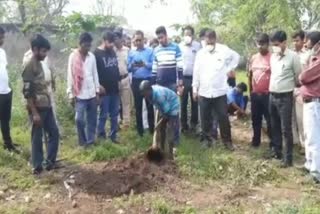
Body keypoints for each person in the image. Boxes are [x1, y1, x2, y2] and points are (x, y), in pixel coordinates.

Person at [192, 29, 240, 150]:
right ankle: (207, 141)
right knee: (205, 118)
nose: (208, 44)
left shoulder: (223, 50)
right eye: (206, 42)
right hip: (204, 91)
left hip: (219, 91)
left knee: (223, 117)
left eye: (210, 42)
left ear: (215, 39)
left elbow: (236, 57)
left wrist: (229, 69)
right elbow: (196, 72)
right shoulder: (200, 54)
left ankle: (227, 142)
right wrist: (194, 89)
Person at [22, 34, 59, 174]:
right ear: (35, 49)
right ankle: (37, 167)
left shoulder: (40, 63)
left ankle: (50, 162)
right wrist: (35, 113)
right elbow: (27, 92)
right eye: (43, 51)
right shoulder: (29, 65)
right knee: (36, 138)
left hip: (47, 105)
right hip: (37, 108)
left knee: (54, 133)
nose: (45, 54)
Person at [269, 30, 302, 167]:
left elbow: (298, 77)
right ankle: (277, 153)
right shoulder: (273, 57)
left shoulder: (293, 57)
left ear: (284, 43)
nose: (274, 47)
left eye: (276, 44)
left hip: (285, 97)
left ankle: (288, 159)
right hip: (272, 95)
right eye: (273, 44)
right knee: (274, 126)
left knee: (285, 129)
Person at [67, 32, 100, 146]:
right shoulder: (73, 57)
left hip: (91, 93)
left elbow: (95, 74)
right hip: (79, 94)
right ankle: (82, 142)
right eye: (85, 45)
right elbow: (70, 75)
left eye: (89, 46)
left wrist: (97, 91)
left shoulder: (92, 57)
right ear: (79, 44)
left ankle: (90, 142)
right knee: (79, 119)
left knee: (92, 120)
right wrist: (70, 94)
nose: (87, 48)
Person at [140, 80, 180, 159]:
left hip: (173, 105)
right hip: (164, 106)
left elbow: (167, 111)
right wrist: (159, 123)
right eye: (143, 94)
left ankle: (172, 153)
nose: (144, 96)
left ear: (149, 90)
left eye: (145, 93)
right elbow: (159, 106)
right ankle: (161, 150)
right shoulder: (149, 95)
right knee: (161, 129)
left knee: (170, 129)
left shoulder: (159, 95)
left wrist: (159, 122)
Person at [299, 31, 320, 183]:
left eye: (308, 43)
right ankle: (309, 164)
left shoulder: (318, 61)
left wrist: (306, 62)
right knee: (308, 135)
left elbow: (303, 77)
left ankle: (316, 171)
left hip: (315, 103)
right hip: (308, 102)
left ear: (317, 45)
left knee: (314, 138)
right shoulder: (313, 59)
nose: (306, 45)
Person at [94, 31, 120, 143]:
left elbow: (115, 67)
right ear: (104, 41)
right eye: (110, 43)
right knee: (103, 115)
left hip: (115, 88)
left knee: (114, 115)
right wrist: (98, 87)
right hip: (104, 90)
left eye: (113, 43)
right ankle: (101, 136)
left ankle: (113, 136)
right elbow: (93, 72)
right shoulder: (96, 54)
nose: (112, 45)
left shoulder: (112, 52)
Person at [248, 33, 273, 148]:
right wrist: (250, 92)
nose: (260, 46)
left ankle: (273, 143)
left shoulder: (273, 58)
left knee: (270, 120)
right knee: (255, 119)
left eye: (262, 44)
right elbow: (250, 75)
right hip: (255, 95)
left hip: (268, 95)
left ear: (268, 44)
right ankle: (256, 141)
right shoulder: (253, 58)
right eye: (258, 44)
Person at [128, 30, 155, 137]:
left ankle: (152, 129)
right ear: (134, 41)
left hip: (148, 81)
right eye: (136, 40)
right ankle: (140, 132)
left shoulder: (150, 51)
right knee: (138, 107)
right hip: (136, 81)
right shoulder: (131, 53)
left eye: (140, 40)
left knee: (150, 106)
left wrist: (145, 64)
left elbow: (153, 65)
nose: (138, 42)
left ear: (143, 40)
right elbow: (128, 68)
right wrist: (133, 66)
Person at [0, 27, 19, 153]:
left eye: (2, 37)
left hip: (6, 91)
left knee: (6, 120)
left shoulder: (2, 52)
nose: (2, 40)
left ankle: (8, 143)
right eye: (0, 37)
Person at [179, 25, 201, 132]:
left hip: (194, 78)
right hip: (183, 78)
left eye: (189, 34)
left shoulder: (198, 46)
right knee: (183, 103)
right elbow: (177, 64)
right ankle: (183, 125)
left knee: (195, 102)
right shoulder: (179, 46)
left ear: (193, 35)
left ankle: (194, 124)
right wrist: (178, 80)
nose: (187, 36)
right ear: (183, 35)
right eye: (185, 34)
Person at [292, 30, 311, 147]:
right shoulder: (290, 53)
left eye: (297, 40)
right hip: (289, 88)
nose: (295, 43)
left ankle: (304, 144)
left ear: (303, 40)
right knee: (291, 118)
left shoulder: (308, 54)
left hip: (302, 90)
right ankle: (295, 142)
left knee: (301, 119)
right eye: (293, 41)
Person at [152, 26, 184, 94]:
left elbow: (180, 66)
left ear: (166, 35)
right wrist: (153, 83)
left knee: (172, 103)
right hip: (159, 84)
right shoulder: (156, 50)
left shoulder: (175, 47)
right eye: (158, 38)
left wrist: (180, 82)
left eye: (161, 37)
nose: (160, 40)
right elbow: (154, 69)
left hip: (172, 83)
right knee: (161, 104)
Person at [114, 30, 131, 129]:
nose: (115, 41)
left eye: (117, 38)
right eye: (114, 39)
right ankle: (116, 122)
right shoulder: (112, 51)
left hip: (125, 78)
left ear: (121, 39)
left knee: (126, 102)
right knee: (116, 102)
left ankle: (126, 123)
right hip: (115, 80)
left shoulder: (127, 50)